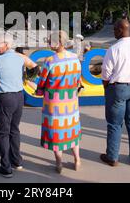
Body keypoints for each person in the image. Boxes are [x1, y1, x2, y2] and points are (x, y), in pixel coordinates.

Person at [100, 19, 130, 167]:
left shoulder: (114, 49)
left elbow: (106, 74)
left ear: (121, 30)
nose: (113, 32)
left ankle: (112, 157)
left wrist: (107, 88)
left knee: (115, 124)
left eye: (115, 29)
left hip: (118, 88)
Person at [36, 31, 82, 173]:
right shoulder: (75, 58)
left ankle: (59, 164)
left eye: (51, 40)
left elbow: (42, 83)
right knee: (72, 131)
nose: (49, 43)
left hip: (54, 104)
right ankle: (77, 160)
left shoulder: (50, 60)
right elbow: (78, 81)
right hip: (71, 102)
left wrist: (38, 90)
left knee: (56, 134)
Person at [0, 34, 26, 178]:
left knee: (3, 133)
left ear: (7, 45)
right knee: (14, 130)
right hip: (19, 96)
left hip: (5, 97)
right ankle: (17, 161)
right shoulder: (19, 58)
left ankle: (6, 167)